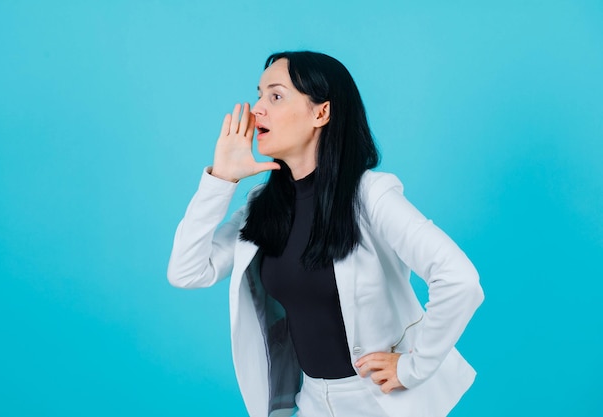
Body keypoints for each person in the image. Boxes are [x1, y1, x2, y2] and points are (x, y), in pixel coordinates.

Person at [167, 51, 484, 417]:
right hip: (313, 403)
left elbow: (459, 280)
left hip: (379, 404)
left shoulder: (370, 195)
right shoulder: (263, 207)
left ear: (321, 113)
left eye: (276, 95)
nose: (257, 109)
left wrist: (413, 367)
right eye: (259, 95)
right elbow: (187, 272)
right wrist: (221, 180)